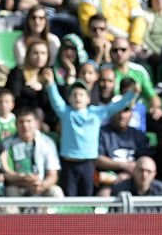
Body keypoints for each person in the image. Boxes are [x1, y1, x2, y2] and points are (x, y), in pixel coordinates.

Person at [41, 68, 136, 196]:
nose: (77, 97)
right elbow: (55, 100)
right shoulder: (65, 113)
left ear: (88, 99)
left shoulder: (96, 113)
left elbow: (115, 107)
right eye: (74, 94)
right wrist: (51, 83)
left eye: (81, 94)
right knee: (70, 198)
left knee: (87, 196)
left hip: (88, 164)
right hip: (69, 164)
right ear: (69, 99)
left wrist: (131, 95)